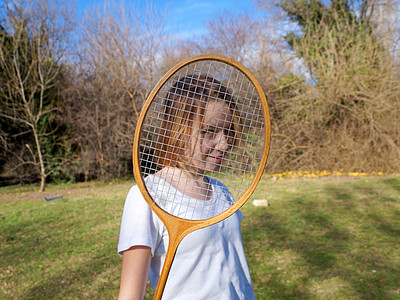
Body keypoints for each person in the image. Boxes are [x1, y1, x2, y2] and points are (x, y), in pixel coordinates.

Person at [117, 74, 256, 300]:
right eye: (210, 131)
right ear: (177, 129)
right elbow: (130, 296)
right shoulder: (147, 197)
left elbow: (234, 272)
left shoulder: (223, 192)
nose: (224, 143)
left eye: (227, 130)